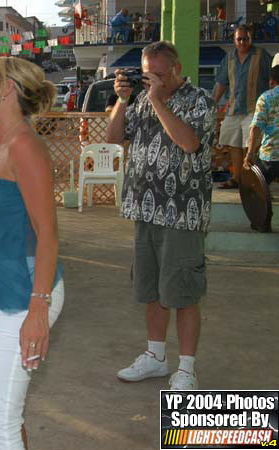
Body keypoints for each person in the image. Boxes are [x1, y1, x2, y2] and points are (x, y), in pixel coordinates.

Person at [0, 56, 65, 449]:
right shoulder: (4, 147)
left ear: (6, 89)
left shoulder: (24, 146)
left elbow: (48, 234)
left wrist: (38, 310)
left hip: (26, 294)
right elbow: (9, 222)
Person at [106, 42, 216, 390]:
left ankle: (186, 368)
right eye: (145, 73)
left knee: (182, 291)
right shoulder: (139, 101)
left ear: (175, 68)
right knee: (151, 290)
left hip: (183, 213)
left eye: (157, 74)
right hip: (145, 209)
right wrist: (123, 101)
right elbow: (112, 139)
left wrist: (154, 99)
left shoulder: (199, 101)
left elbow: (188, 143)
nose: (151, 80)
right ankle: (155, 357)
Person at [213, 25, 272, 189]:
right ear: (234, 40)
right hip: (233, 108)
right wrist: (212, 104)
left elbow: (273, 78)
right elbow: (221, 83)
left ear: (250, 38)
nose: (242, 42)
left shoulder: (261, 55)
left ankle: (252, 180)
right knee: (234, 144)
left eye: (245, 38)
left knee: (251, 145)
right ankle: (236, 178)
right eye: (239, 39)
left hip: (255, 108)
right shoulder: (229, 58)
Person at [243, 64, 279, 227]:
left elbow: (256, 128)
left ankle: (262, 221)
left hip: (271, 155)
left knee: (257, 189)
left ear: (272, 81)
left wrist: (250, 154)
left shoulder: (266, 98)